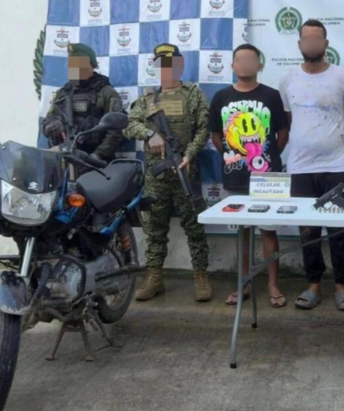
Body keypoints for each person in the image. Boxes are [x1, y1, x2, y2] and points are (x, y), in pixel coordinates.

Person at [279, 19, 344, 312]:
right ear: (300, 44)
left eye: (317, 38)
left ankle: (341, 285)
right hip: (300, 167)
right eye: (306, 38)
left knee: (339, 230)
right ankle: (313, 284)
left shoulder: (343, 78)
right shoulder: (288, 79)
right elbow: (289, 121)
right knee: (308, 230)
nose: (311, 43)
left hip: (338, 165)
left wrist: (331, 144)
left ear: (326, 44)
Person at [124, 43, 213, 302]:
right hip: (157, 174)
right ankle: (154, 277)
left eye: (171, 64)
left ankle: (201, 276)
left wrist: (189, 155)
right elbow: (129, 126)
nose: (167, 69)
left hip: (186, 170)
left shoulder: (193, 94)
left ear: (180, 65)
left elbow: (203, 129)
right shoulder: (147, 98)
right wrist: (150, 133)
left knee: (194, 226)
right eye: (161, 65)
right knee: (155, 228)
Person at [209, 44, 289, 308]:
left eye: (250, 60)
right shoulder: (220, 97)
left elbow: (282, 133)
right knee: (242, 232)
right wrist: (234, 157)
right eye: (240, 60)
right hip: (235, 176)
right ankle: (243, 282)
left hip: (268, 177)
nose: (245, 64)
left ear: (260, 65)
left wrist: (267, 158)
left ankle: (273, 283)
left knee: (269, 232)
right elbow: (216, 136)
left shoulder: (272, 95)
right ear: (233, 66)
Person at [42, 43, 124, 162]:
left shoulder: (106, 92)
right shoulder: (63, 93)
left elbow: (116, 130)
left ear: (91, 65)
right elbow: (48, 121)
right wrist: (54, 125)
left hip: (96, 161)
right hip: (65, 157)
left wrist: (98, 155)